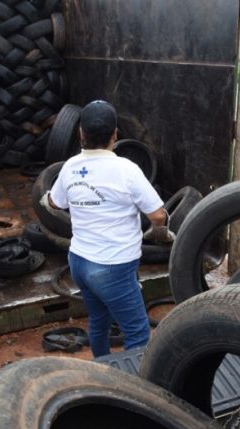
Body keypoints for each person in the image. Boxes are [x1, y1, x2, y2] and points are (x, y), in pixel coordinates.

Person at [41, 100, 174, 357]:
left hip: (79, 263)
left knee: (99, 322)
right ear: (115, 134)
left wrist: (45, 198)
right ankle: (134, 390)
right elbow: (158, 214)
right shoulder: (127, 170)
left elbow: (54, 202)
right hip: (113, 268)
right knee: (137, 333)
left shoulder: (69, 168)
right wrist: (159, 231)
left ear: (81, 133)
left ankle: (102, 371)